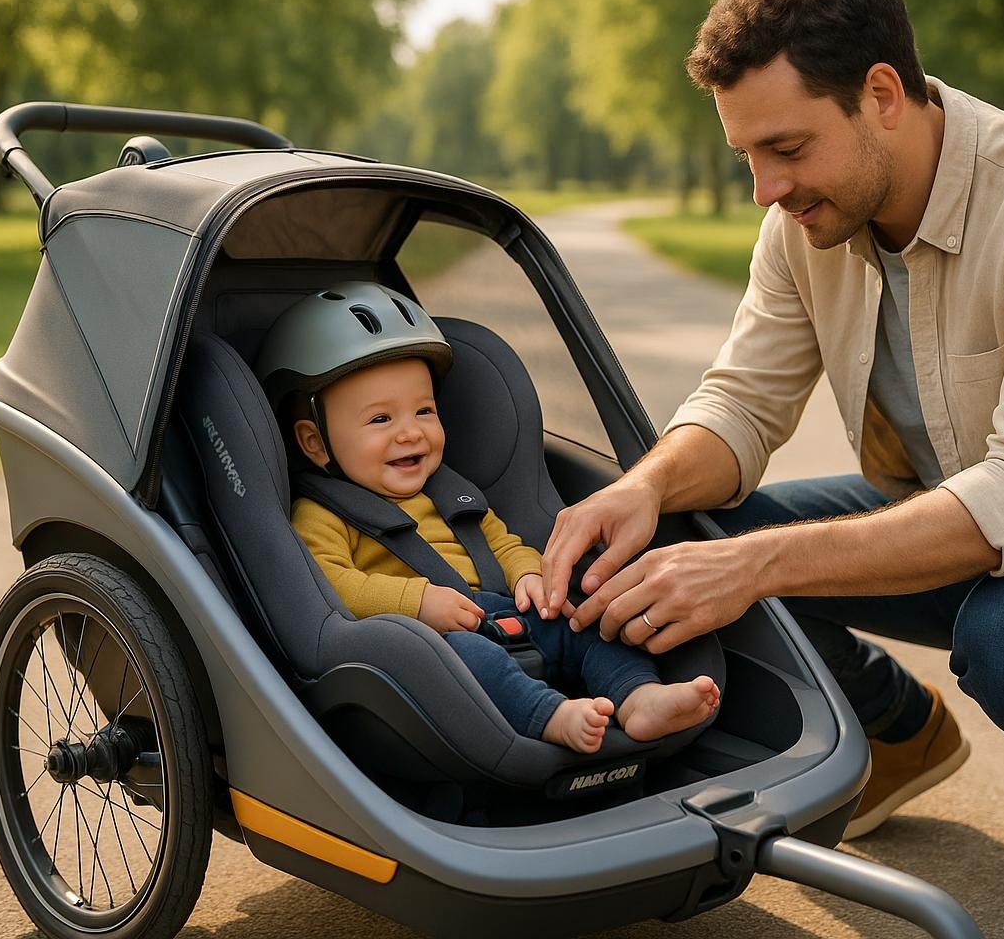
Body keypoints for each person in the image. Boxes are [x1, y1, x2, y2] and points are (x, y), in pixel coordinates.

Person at [540, 0, 1004, 923]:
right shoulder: (806, 224)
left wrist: (757, 566)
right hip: (946, 505)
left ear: (881, 95)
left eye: (787, 148)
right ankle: (901, 730)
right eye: (748, 157)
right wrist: (643, 489)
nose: (765, 189)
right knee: (686, 538)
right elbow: (741, 404)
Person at [256, 282, 719, 755]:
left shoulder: (451, 493)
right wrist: (417, 602)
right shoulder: (322, 515)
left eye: (424, 410)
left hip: (506, 612)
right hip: (429, 639)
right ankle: (550, 716)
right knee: (471, 659)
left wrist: (528, 575)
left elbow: (502, 543)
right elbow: (331, 584)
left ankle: (639, 697)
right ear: (315, 443)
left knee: (588, 630)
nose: (410, 432)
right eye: (380, 420)